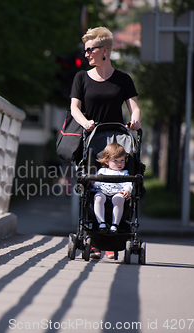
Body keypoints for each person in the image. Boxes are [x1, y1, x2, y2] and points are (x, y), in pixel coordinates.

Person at [69, 27, 142, 259]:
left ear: (105, 51)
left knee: (120, 190)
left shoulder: (123, 80)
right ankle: (92, 240)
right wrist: (85, 123)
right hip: (91, 142)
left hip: (117, 143)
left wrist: (136, 122)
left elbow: (135, 108)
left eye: (90, 49)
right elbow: (74, 108)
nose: (87, 53)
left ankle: (112, 241)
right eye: (86, 49)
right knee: (92, 190)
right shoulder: (81, 77)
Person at [92, 143, 132, 233]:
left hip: (118, 192)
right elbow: (97, 184)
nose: (119, 163)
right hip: (102, 191)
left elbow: (128, 183)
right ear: (107, 161)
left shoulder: (124, 173)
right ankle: (101, 223)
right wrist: (93, 182)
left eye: (122, 160)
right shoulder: (102, 171)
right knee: (98, 198)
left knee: (119, 199)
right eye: (115, 161)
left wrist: (127, 190)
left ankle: (115, 224)